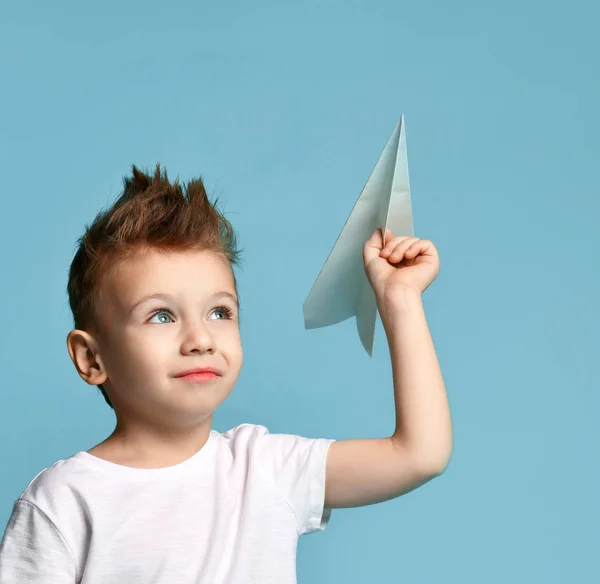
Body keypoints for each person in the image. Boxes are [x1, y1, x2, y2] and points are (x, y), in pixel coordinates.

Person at [0, 164, 453, 583]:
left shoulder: (267, 469)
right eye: (161, 316)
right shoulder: (63, 501)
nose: (200, 338)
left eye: (220, 311)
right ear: (91, 359)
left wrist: (400, 299)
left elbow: (420, 455)